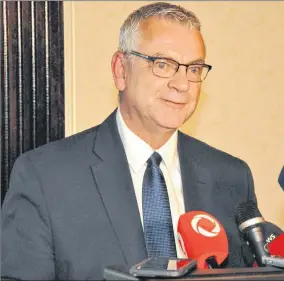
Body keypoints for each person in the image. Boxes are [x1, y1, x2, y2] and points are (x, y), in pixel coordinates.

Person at [1, 2, 257, 280]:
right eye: (163, 64)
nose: (182, 84)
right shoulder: (44, 176)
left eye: (194, 69)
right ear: (121, 70)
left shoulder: (231, 177)